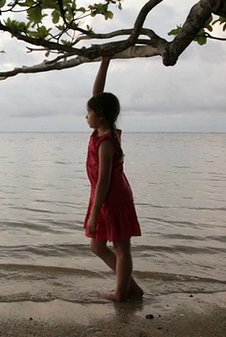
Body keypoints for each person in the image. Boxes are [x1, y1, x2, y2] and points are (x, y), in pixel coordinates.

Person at [84, 55, 143, 302]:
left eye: (88, 113)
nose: (85, 116)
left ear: (100, 116)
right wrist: (105, 62)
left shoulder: (107, 142)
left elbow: (105, 181)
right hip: (102, 196)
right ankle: (131, 287)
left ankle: (120, 293)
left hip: (112, 197)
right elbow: (97, 93)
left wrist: (95, 214)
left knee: (121, 247)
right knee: (97, 245)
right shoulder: (101, 129)